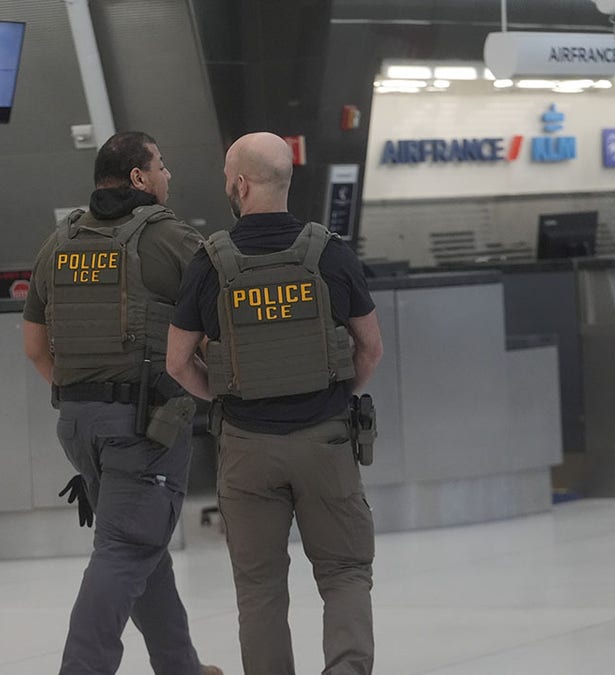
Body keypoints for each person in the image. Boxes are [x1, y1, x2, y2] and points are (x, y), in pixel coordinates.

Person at [166, 132, 384, 675]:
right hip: (327, 442)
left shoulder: (209, 263)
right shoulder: (330, 253)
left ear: (239, 183)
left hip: (246, 449)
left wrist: (228, 396)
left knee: (260, 588)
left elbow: (177, 362)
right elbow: (371, 347)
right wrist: (336, 398)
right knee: (344, 573)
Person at [23, 132, 222, 675]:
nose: (168, 175)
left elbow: (34, 346)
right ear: (138, 177)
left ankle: (180, 667)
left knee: (139, 544)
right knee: (125, 550)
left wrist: (80, 394)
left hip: (79, 425)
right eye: (161, 164)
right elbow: (219, 321)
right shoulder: (168, 238)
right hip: (144, 426)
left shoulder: (59, 241)